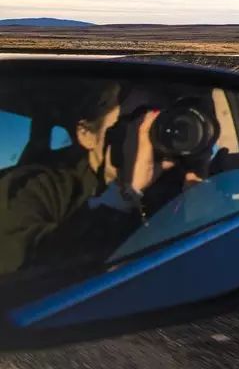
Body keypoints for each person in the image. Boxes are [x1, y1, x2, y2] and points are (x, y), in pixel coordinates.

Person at [0, 80, 166, 276]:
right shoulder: (39, 188)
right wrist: (125, 194)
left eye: (154, 125)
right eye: (133, 123)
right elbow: (26, 268)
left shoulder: (167, 184)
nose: (145, 138)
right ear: (86, 134)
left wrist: (198, 181)